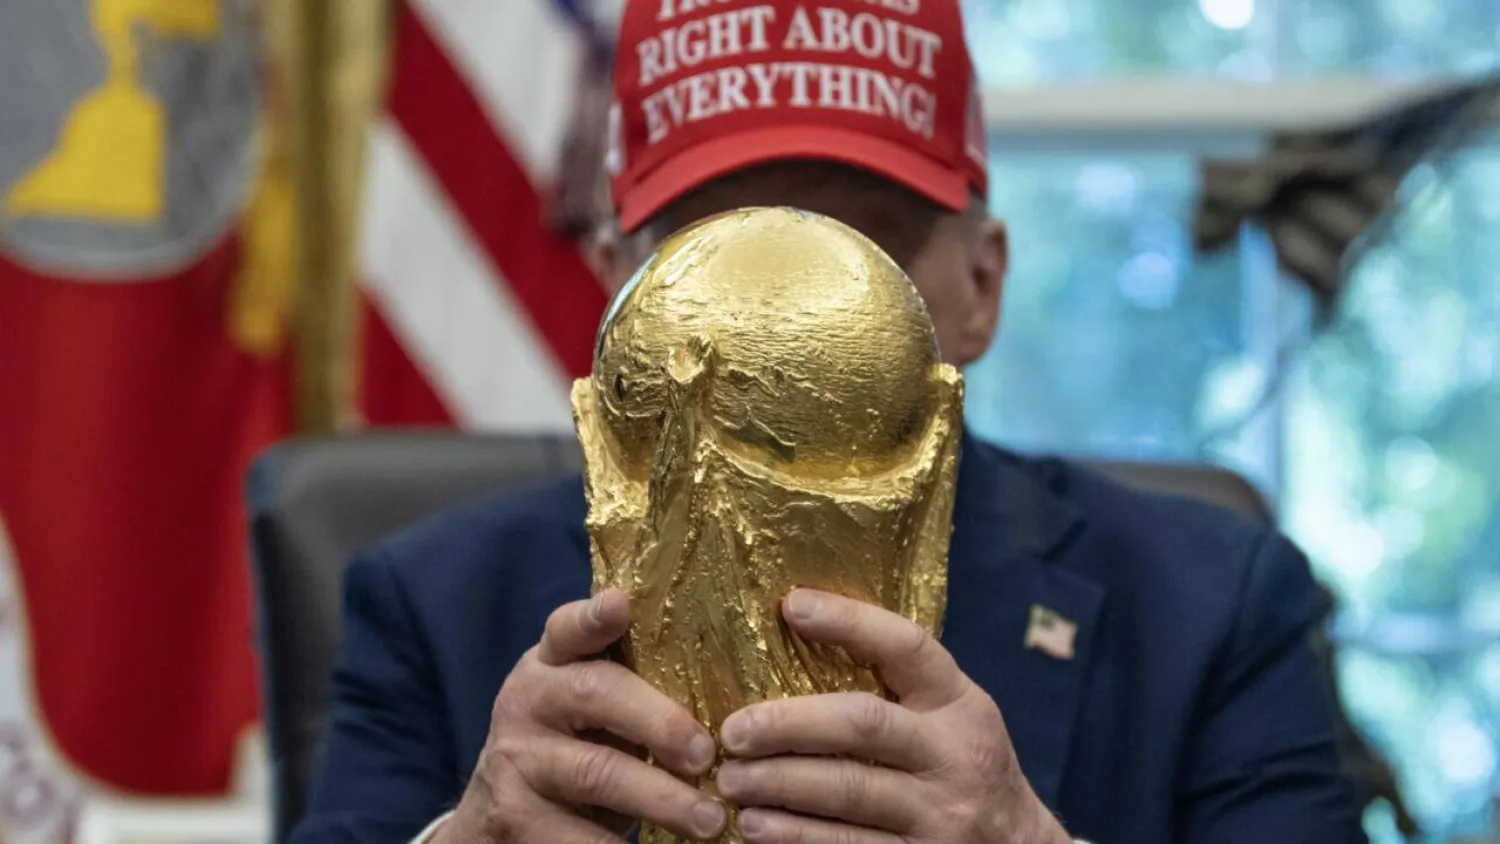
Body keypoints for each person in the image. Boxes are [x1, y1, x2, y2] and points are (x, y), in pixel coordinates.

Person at [290, 0, 1369, 842]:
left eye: (867, 250)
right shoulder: (436, 601)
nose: (790, 314)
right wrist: (472, 836)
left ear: (983, 285)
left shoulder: (1212, 603)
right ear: (619, 295)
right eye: (720, 248)